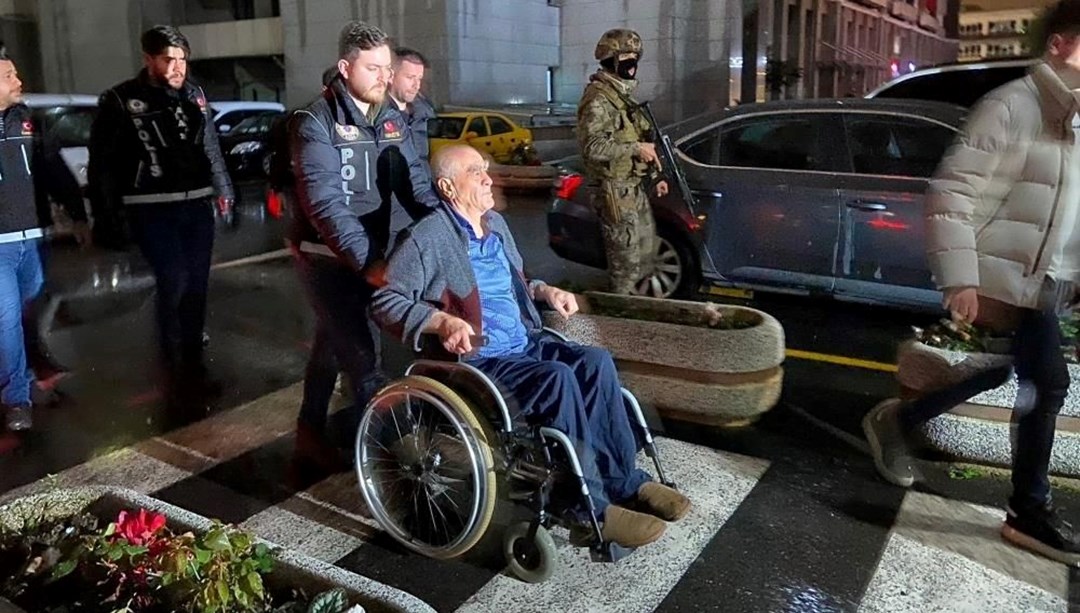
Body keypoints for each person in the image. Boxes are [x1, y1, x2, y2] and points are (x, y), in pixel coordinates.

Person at [371, 144, 691, 548]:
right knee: (557, 379)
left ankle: (625, 482)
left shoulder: (496, 225)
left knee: (595, 362)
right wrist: (440, 321)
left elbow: (517, 284)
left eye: (485, 169)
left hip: (526, 343)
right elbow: (385, 301)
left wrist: (544, 290)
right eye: (475, 172)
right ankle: (587, 508)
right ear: (448, 187)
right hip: (482, 362)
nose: (488, 178)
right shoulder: (428, 238)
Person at [864, 0, 1080, 564]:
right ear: (1059, 45)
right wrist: (960, 278)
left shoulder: (1075, 118)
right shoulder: (1011, 107)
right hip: (999, 275)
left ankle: (900, 420)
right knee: (1046, 383)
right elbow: (952, 193)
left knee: (1012, 372)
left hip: (1043, 280)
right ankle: (1028, 511)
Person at [288, 21, 438, 469]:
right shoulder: (315, 122)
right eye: (373, 68)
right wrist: (370, 262)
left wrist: (453, 228)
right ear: (345, 67)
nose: (384, 78)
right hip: (328, 259)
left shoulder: (391, 116)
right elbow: (327, 206)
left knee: (332, 342)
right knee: (363, 357)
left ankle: (309, 429)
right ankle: (405, 463)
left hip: (376, 255)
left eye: (388, 69)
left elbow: (416, 185)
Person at [88, 25, 234, 401]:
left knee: (197, 284)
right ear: (149, 59)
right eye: (168, 59)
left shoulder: (195, 95)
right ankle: (171, 361)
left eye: (182, 59)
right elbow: (102, 162)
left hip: (196, 201)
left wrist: (224, 189)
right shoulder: (121, 99)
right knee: (174, 278)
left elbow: (210, 146)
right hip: (150, 205)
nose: (177, 67)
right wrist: (107, 214)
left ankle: (192, 360)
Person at [0, 48, 88, 431]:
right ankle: (16, 399)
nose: (19, 81)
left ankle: (28, 372)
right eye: (9, 76)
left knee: (28, 311)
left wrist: (78, 214)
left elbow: (53, 170)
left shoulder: (27, 122)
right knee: (6, 320)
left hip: (33, 239)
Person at [577, 28, 667, 295]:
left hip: (633, 187)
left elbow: (640, 138)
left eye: (635, 57)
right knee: (625, 266)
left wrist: (655, 176)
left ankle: (640, 307)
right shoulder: (598, 100)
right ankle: (620, 314)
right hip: (614, 191)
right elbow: (592, 147)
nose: (633, 64)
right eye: (627, 57)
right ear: (610, 60)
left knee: (646, 256)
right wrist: (636, 148)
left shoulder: (623, 97)